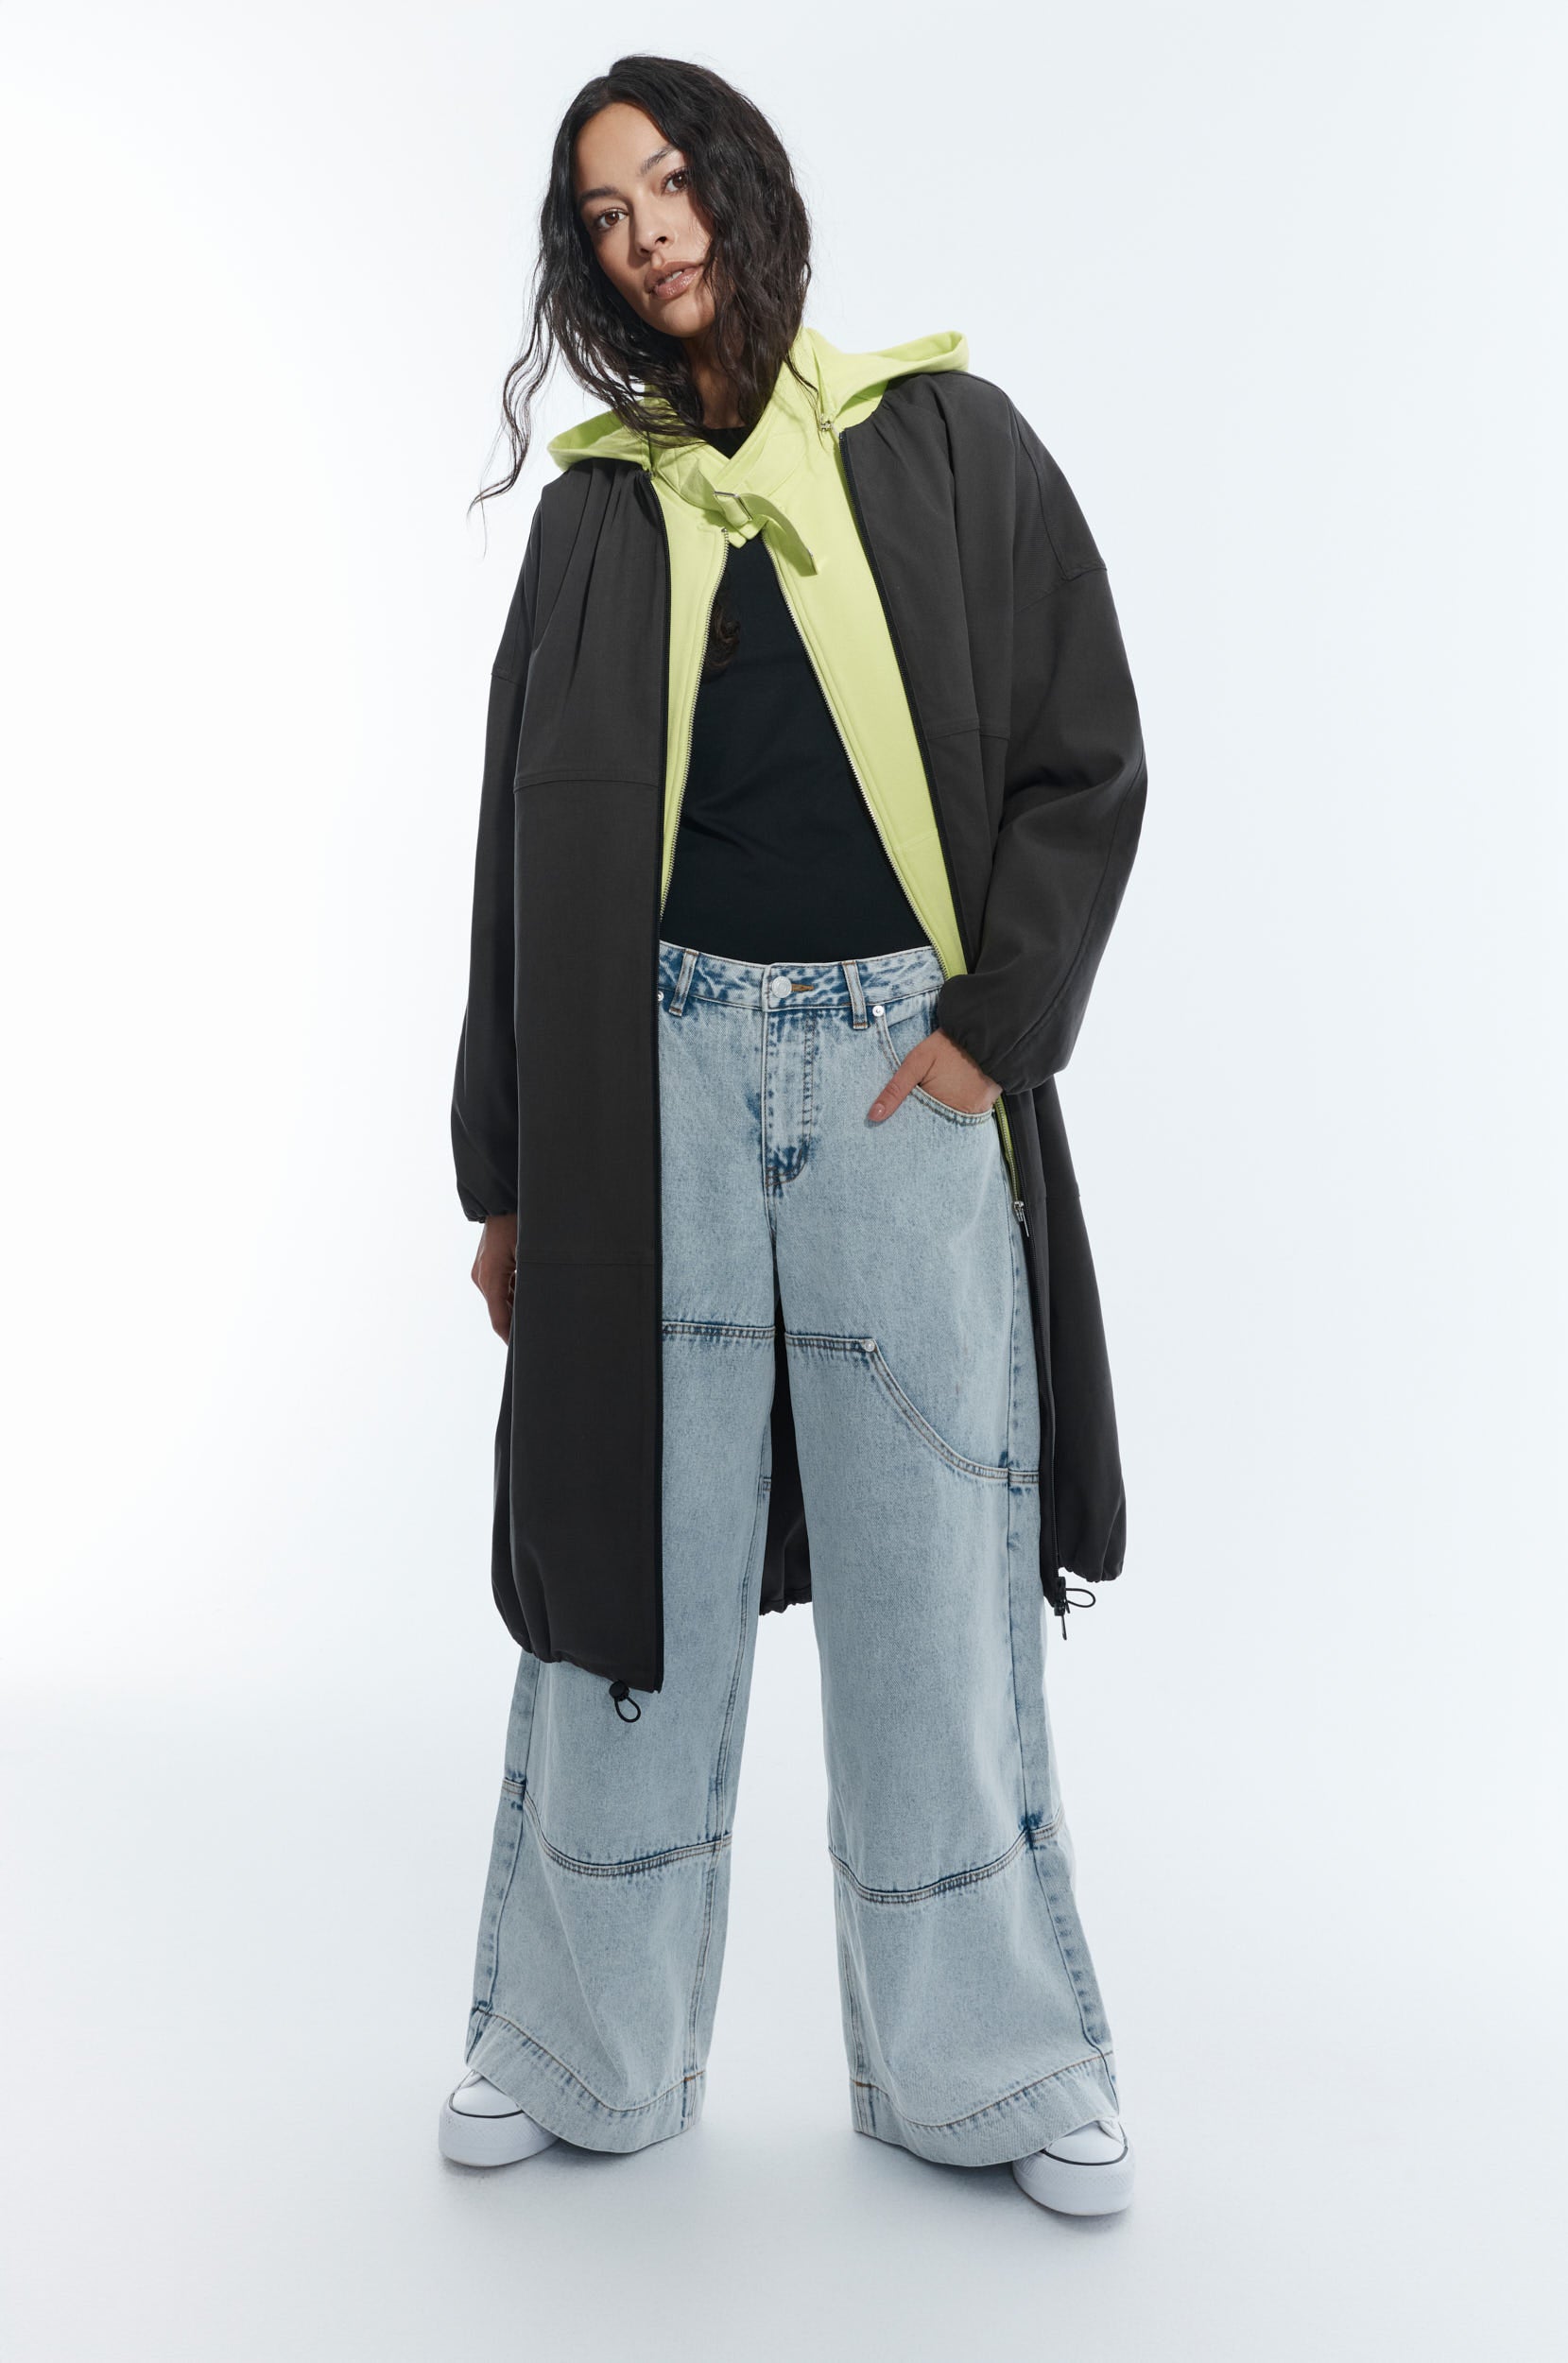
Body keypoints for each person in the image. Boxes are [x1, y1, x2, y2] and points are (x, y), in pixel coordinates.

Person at [439, 56, 1148, 2219]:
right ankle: (577, 2047)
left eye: (671, 183)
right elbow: (513, 861)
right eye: (606, 214)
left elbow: (1088, 753)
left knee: (935, 1579)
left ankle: (992, 2068)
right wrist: (509, 1169)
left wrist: (990, 1030)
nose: (648, 231)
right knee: (626, 1580)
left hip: (893, 1071)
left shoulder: (945, 442)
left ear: (739, 185)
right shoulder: (594, 518)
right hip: (647, 1077)